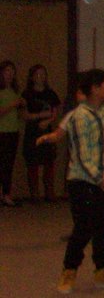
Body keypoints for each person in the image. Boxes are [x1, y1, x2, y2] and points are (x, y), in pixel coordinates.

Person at [52, 69, 104, 294]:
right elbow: (83, 156)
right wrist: (100, 179)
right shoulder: (80, 116)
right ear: (94, 89)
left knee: (103, 227)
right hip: (83, 182)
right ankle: (69, 270)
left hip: (103, 180)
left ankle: (102, 270)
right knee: (84, 227)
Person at [21, 64, 60, 202]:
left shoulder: (51, 93)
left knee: (49, 162)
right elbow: (24, 115)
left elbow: (55, 112)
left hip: (47, 131)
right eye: (38, 74)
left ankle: (49, 192)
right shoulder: (27, 94)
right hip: (32, 131)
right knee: (33, 163)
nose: (41, 77)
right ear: (32, 77)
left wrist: (48, 121)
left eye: (43, 74)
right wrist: (39, 115)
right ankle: (34, 194)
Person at [0, 60, 23, 206]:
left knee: (9, 164)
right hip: (1, 131)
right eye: (7, 71)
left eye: (12, 71)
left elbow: (20, 114)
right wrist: (13, 105)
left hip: (13, 131)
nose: (10, 74)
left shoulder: (15, 91)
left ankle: (6, 194)